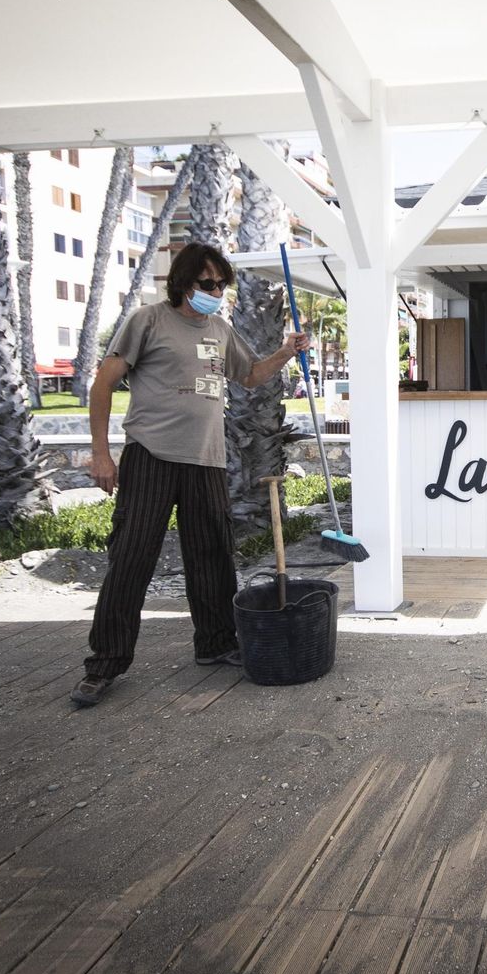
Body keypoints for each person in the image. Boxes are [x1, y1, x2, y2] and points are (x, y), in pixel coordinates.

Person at [70, 243, 311, 707]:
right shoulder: (148, 320)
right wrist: (101, 454)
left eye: (221, 284)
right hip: (152, 455)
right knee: (132, 559)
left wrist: (285, 351)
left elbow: (252, 375)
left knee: (212, 557)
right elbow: (103, 383)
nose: (215, 291)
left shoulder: (221, 329)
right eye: (206, 284)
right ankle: (104, 664)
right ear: (182, 282)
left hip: (207, 460)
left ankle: (216, 643)